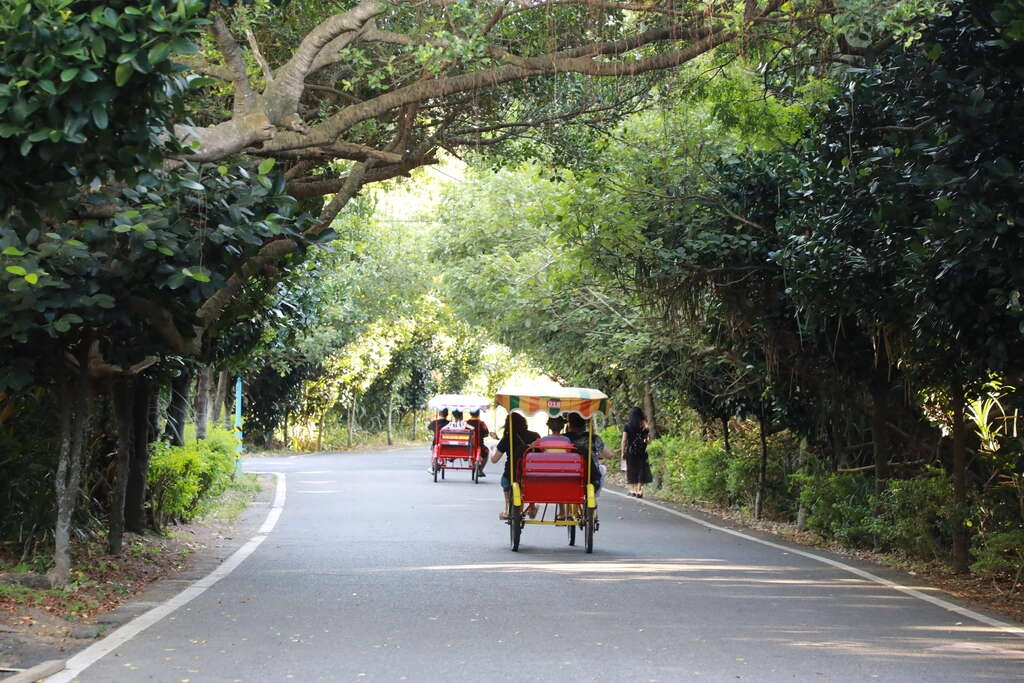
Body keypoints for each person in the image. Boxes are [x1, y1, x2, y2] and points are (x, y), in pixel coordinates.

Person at [490, 413, 540, 520]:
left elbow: (494, 460)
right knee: (530, 483)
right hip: (531, 476)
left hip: (511, 475)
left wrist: (493, 448)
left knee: (505, 481)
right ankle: (532, 507)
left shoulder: (507, 438)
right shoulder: (535, 436)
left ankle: (507, 509)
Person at [564, 412, 612, 494]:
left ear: (570, 423)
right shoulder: (593, 438)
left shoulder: (563, 438)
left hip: (564, 476)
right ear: (585, 423)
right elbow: (609, 455)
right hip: (588, 477)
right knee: (603, 468)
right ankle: (593, 496)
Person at [620, 406, 652, 498]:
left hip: (631, 451)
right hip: (642, 451)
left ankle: (632, 489)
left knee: (632, 470)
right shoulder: (644, 427)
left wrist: (623, 452)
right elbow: (648, 440)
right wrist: (646, 428)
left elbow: (624, 440)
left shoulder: (627, 426)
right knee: (642, 470)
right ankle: (639, 490)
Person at [465, 408, 490, 478]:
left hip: (467, 447)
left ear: (470, 414)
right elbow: (486, 434)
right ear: (479, 413)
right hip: (479, 445)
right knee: (486, 452)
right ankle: (480, 469)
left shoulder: (465, 423)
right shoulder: (482, 424)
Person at [425, 408, 449, 474]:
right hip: (447, 444)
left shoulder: (434, 422)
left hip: (436, 442)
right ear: (447, 414)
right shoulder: (449, 423)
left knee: (433, 451)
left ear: (439, 413)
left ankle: (432, 466)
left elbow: (427, 428)